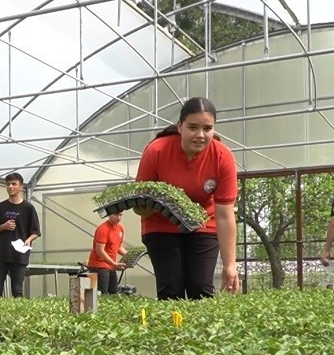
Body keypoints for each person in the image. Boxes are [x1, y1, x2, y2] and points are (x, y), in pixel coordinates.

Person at [135, 97, 239, 300]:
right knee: (170, 290)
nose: (200, 135)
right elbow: (139, 206)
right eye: (193, 127)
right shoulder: (156, 151)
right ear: (180, 126)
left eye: (207, 128)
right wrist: (147, 206)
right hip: (161, 226)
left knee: (200, 288)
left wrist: (230, 265)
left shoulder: (222, 156)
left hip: (203, 224)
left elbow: (225, 216)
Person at [0, 172, 41, 297]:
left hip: (19, 255)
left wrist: (28, 240)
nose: (10, 187)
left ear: (21, 187)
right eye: (8, 184)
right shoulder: (0, 207)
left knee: (17, 290)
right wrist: (4, 226)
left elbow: (36, 232)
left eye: (14, 184)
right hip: (1, 253)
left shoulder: (28, 208)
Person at [88, 211, 127, 294]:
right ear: (109, 214)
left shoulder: (120, 228)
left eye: (121, 215)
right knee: (103, 294)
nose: (118, 218)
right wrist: (114, 264)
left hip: (111, 266)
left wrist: (129, 255)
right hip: (99, 266)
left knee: (113, 293)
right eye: (116, 214)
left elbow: (118, 247)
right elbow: (100, 251)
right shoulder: (103, 229)